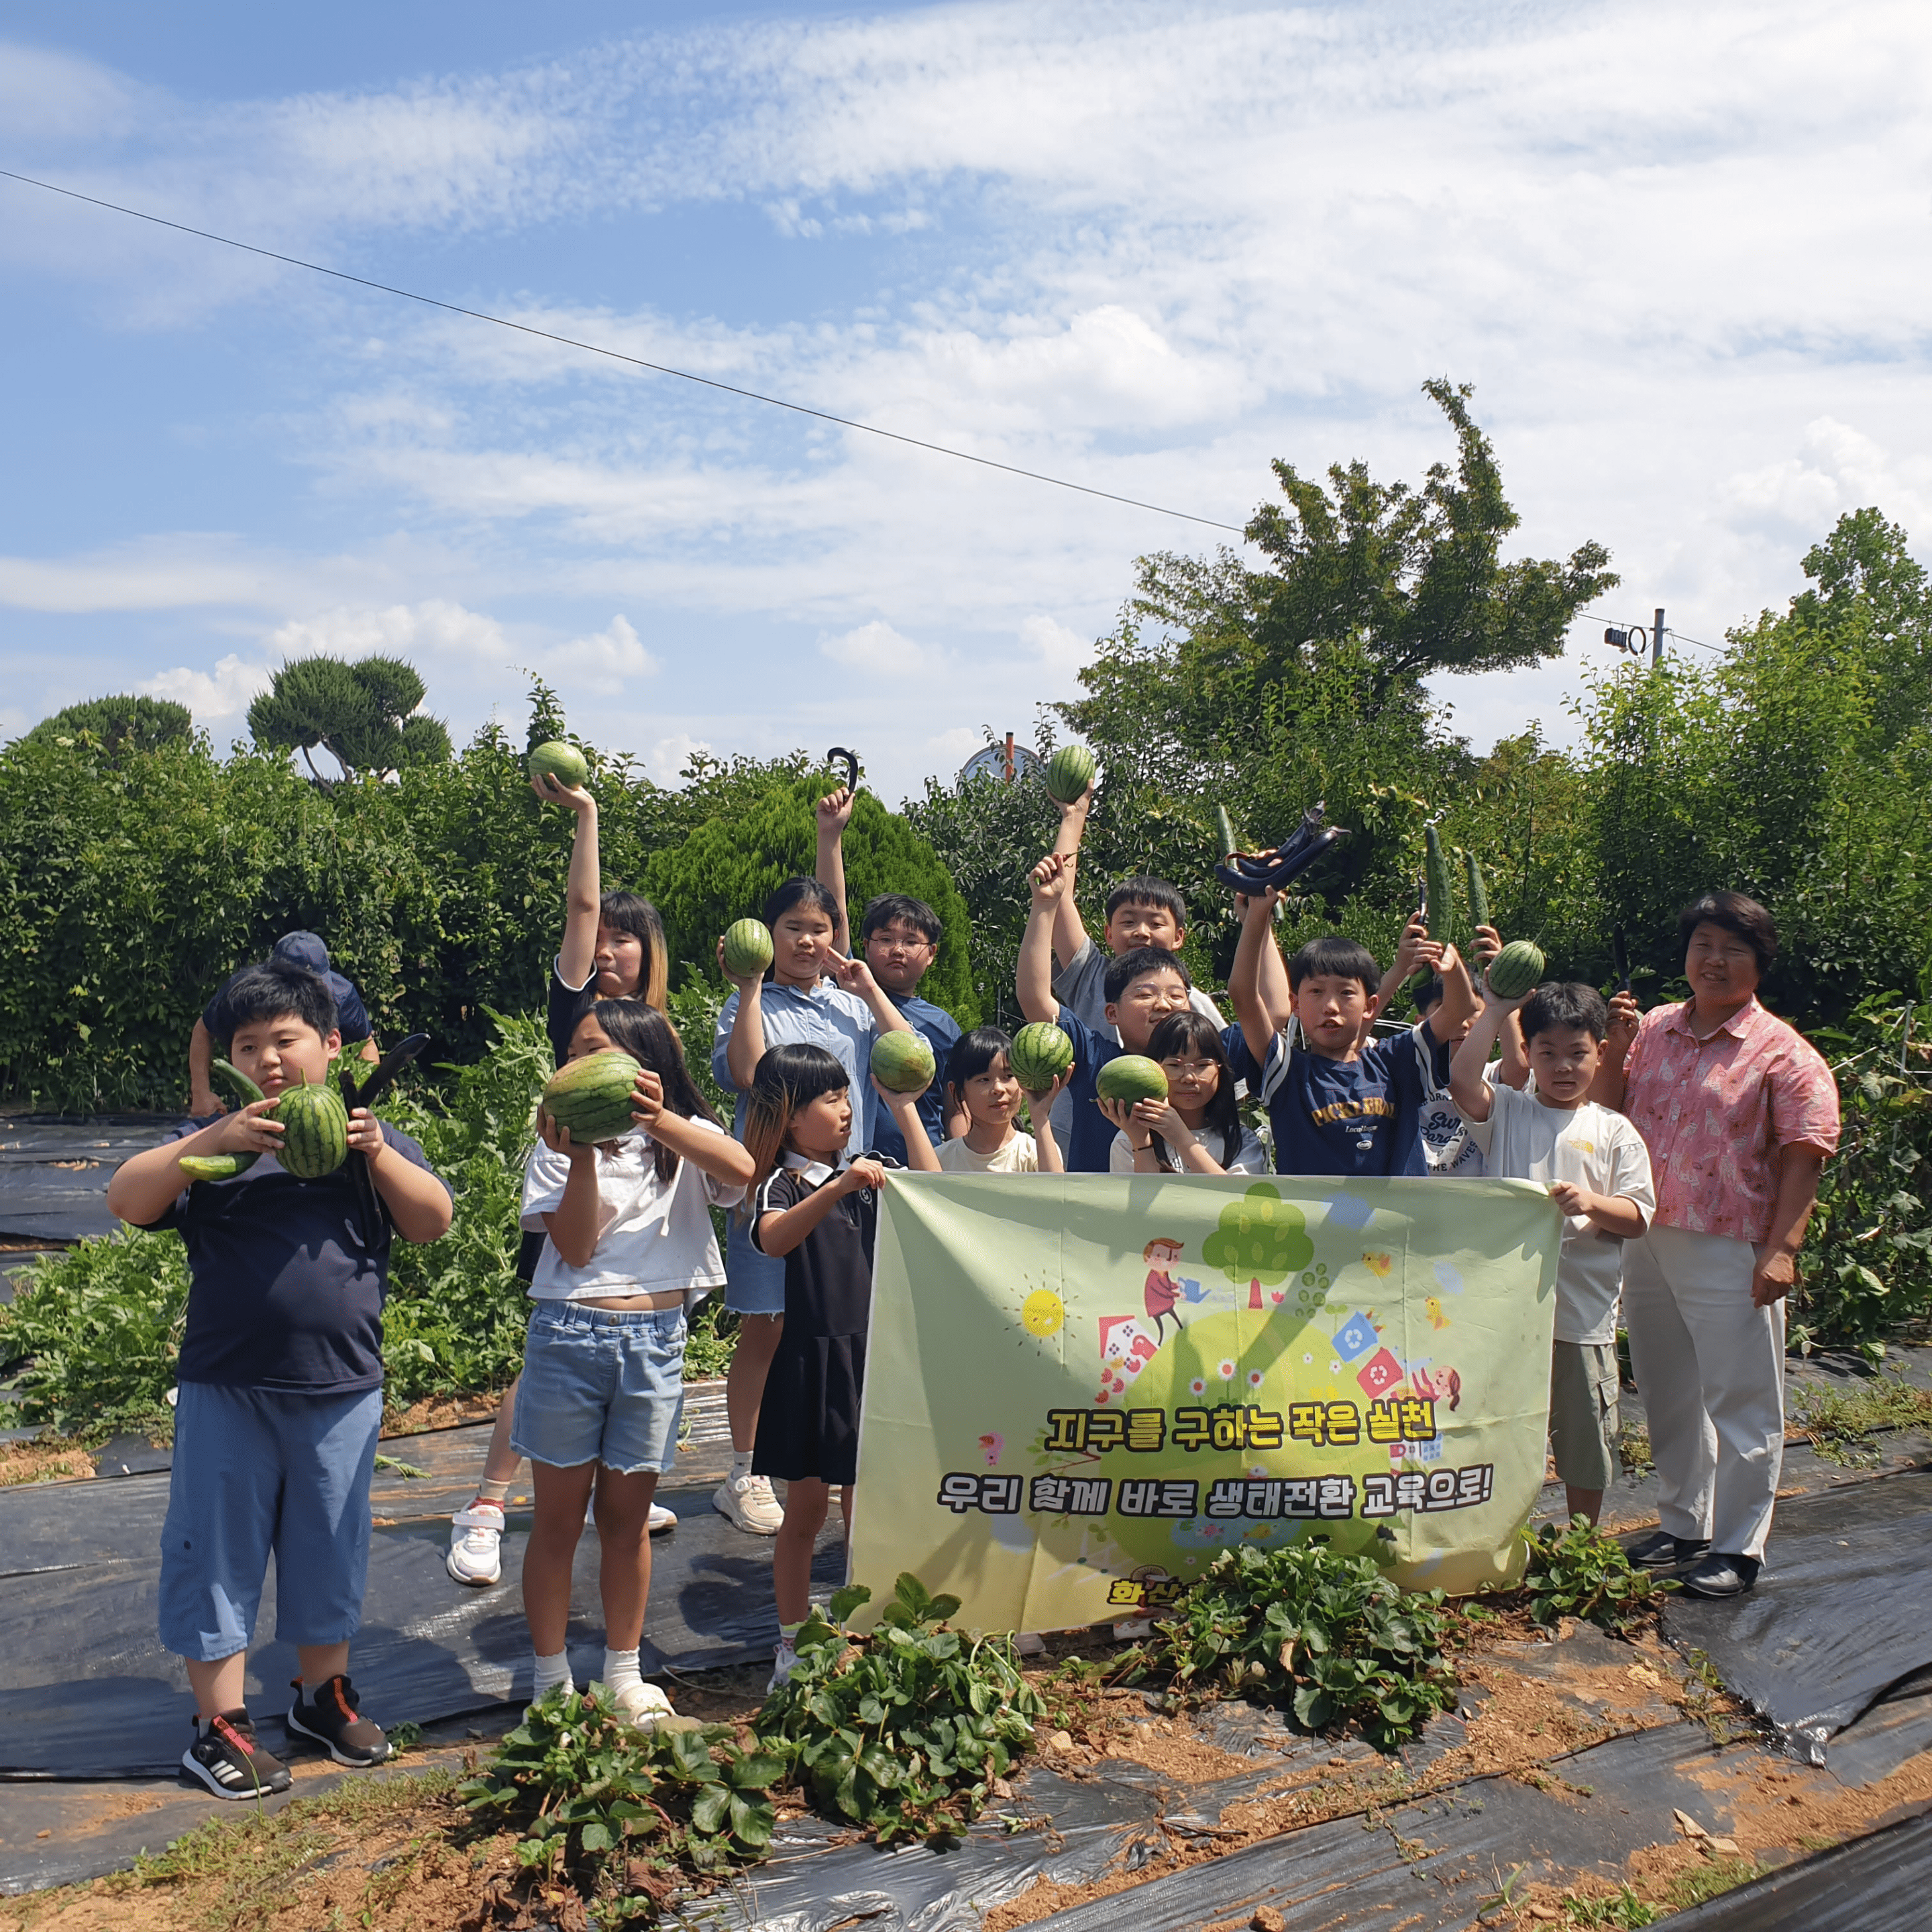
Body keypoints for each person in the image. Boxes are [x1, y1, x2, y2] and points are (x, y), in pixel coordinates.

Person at [105, 959, 452, 1799]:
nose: (268, 1058)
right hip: (228, 1388)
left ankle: (319, 1696)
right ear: (229, 1062)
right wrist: (204, 1144)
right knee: (216, 1551)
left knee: (327, 1548)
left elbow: (433, 1220)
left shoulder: (367, 1139)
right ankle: (217, 1725)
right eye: (248, 1044)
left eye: (286, 1039)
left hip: (341, 1391)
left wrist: (378, 1157)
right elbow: (125, 1198)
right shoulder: (222, 1149)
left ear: (331, 1046)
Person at [448, 764, 676, 1588]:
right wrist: (586, 813)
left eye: (627, 937)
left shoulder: (656, 1031)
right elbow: (582, 906)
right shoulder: (573, 1008)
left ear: (651, 953)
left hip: (641, 1229)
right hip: (569, 1185)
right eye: (603, 937)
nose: (610, 947)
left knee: (614, 1362)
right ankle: (486, 1504)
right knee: (547, 1354)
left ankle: (620, 1484)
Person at [515, 1000, 753, 1726]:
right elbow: (577, 1249)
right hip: (569, 1334)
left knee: (626, 1520)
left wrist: (655, 1119)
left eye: (596, 1052)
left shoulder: (683, 1138)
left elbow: (740, 1167)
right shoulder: (558, 1147)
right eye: (573, 1052)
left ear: (642, 1065)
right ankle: (549, 1680)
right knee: (557, 1522)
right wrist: (583, 1152)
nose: (576, 1066)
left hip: (656, 1340)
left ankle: (625, 1671)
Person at [1596, 892, 1840, 1599]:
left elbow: (1805, 1153)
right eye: (1704, 943)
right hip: (1646, 1233)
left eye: (1733, 948)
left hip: (1732, 1243)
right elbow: (1608, 1108)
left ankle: (1739, 1547)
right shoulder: (1655, 1029)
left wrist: (1783, 1247)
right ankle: (1685, 1523)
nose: (1715, 960)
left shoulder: (1783, 1055)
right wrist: (1616, 1046)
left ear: (1759, 964)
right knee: (1670, 1391)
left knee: (1742, 1400)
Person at [710, 879, 916, 1535]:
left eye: (820, 928)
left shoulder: (851, 1009)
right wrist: (746, 987)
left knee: (837, 1328)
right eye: (793, 927)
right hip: (777, 1185)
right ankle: (745, 1471)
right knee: (767, 1327)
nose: (807, 939)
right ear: (770, 935)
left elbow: (912, 1059)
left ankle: (825, 1458)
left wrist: (868, 986)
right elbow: (744, 1073)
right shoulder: (750, 1002)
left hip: (844, 1192)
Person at [740, 1044, 922, 1689]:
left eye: (848, 1097)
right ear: (790, 1118)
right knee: (806, 1514)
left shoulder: (870, 1174)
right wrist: (840, 1185)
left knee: (867, 1509)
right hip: (812, 1365)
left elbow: (932, 1185)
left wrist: (902, 1110)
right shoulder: (784, 1184)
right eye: (830, 1100)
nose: (846, 1111)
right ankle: (791, 1642)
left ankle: (869, 1628)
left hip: (871, 1360)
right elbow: (773, 1238)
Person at [1451, 980, 1656, 1527]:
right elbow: (1462, 1078)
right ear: (1529, 1055)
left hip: (1580, 1317)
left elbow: (1638, 1217)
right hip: (1502, 1318)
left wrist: (1591, 1201)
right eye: (1548, 1053)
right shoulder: (1509, 1112)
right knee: (1495, 1428)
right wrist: (1496, 1009)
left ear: (1601, 1053)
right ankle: (1496, 1534)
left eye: (1577, 1053)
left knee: (1585, 1435)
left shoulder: (1615, 1132)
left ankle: (1581, 1545)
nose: (1563, 1067)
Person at [1226, 887, 1478, 1177]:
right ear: (1294, 1003)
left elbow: (1460, 1009)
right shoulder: (1287, 1074)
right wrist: (1257, 916)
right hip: (1316, 1223)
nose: (1330, 1006)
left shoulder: (1396, 1062)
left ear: (1370, 1006)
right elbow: (1243, 995)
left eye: (1346, 993)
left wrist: (1452, 965)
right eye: (1316, 992)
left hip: (1398, 1223)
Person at [810, 784, 967, 1163]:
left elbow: (956, 1107)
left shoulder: (943, 1026)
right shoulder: (846, 990)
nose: (897, 949)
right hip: (850, 1166)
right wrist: (830, 836)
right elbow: (834, 915)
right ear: (864, 946)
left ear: (931, 955)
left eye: (911, 941)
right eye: (885, 938)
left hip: (921, 1169)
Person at [1016, 853, 1201, 1172]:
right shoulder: (1094, 1060)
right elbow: (1034, 997)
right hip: (1092, 1216)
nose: (1162, 1004)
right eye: (1144, 994)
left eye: (1174, 995)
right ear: (1112, 1012)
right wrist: (1044, 906)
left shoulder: (1200, 1072)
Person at [190, 931, 377, 1115]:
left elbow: (367, 1044)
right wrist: (201, 1094)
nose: (269, 1058)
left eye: (285, 1041)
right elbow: (204, 1029)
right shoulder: (242, 992)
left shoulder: (342, 993)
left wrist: (356, 1101)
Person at [1100, 1009, 1269, 1176]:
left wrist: (1182, 1139)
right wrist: (1141, 1142)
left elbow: (1237, 1200)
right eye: (1174, 1065)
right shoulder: (1127, 1141)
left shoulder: (1242, 1141)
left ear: (1220, 1071)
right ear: (1152, 1069)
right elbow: (1140, 1201)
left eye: (1203, 1065)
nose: (1189, 1078)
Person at [934, 1026, 1067, 1173]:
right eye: (984, 1079)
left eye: (1009, 1076)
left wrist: (1040, 1116)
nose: (998, 1088)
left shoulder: (1037, 1152)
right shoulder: (941, 1159)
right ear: (957, 1090)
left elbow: (1055, 1192)